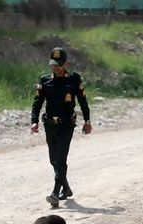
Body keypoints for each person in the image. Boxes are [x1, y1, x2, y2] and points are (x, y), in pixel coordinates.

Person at [31, 47, 91, 208]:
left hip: (66, 125)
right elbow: (37, 103)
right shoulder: (45, 81)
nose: (55, 68)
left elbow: (83, 101)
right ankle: (67, 188)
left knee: (60, 159)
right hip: (50, 124)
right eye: (53, 65)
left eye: (58, 65)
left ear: (66, 63)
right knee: (53, 160)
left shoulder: (74, 79)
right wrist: (34, 121)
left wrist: (87, 121)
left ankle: (55, 194)